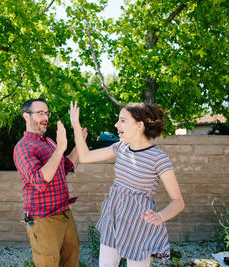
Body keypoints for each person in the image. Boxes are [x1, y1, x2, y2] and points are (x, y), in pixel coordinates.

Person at [69, 101, 185, 267]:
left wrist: (160, 216)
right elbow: (85, 157)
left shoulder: (159, 159)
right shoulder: (121, 147)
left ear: (139, 125)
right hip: (113, 218)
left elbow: (178, 202)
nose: (116, 125)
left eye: (122, 120)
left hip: (139, 225)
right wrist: (75, 124)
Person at [13, 98, 87, 267]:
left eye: (47, 113)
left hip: (65, 213)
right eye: (40, 113)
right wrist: (61, 147)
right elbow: (39, 181)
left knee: (71, 261)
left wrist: (77, 144)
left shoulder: (49, 142)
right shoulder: (23, 147)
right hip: (43, 219)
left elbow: (66, 166)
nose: (45, 117)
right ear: (26, 116)